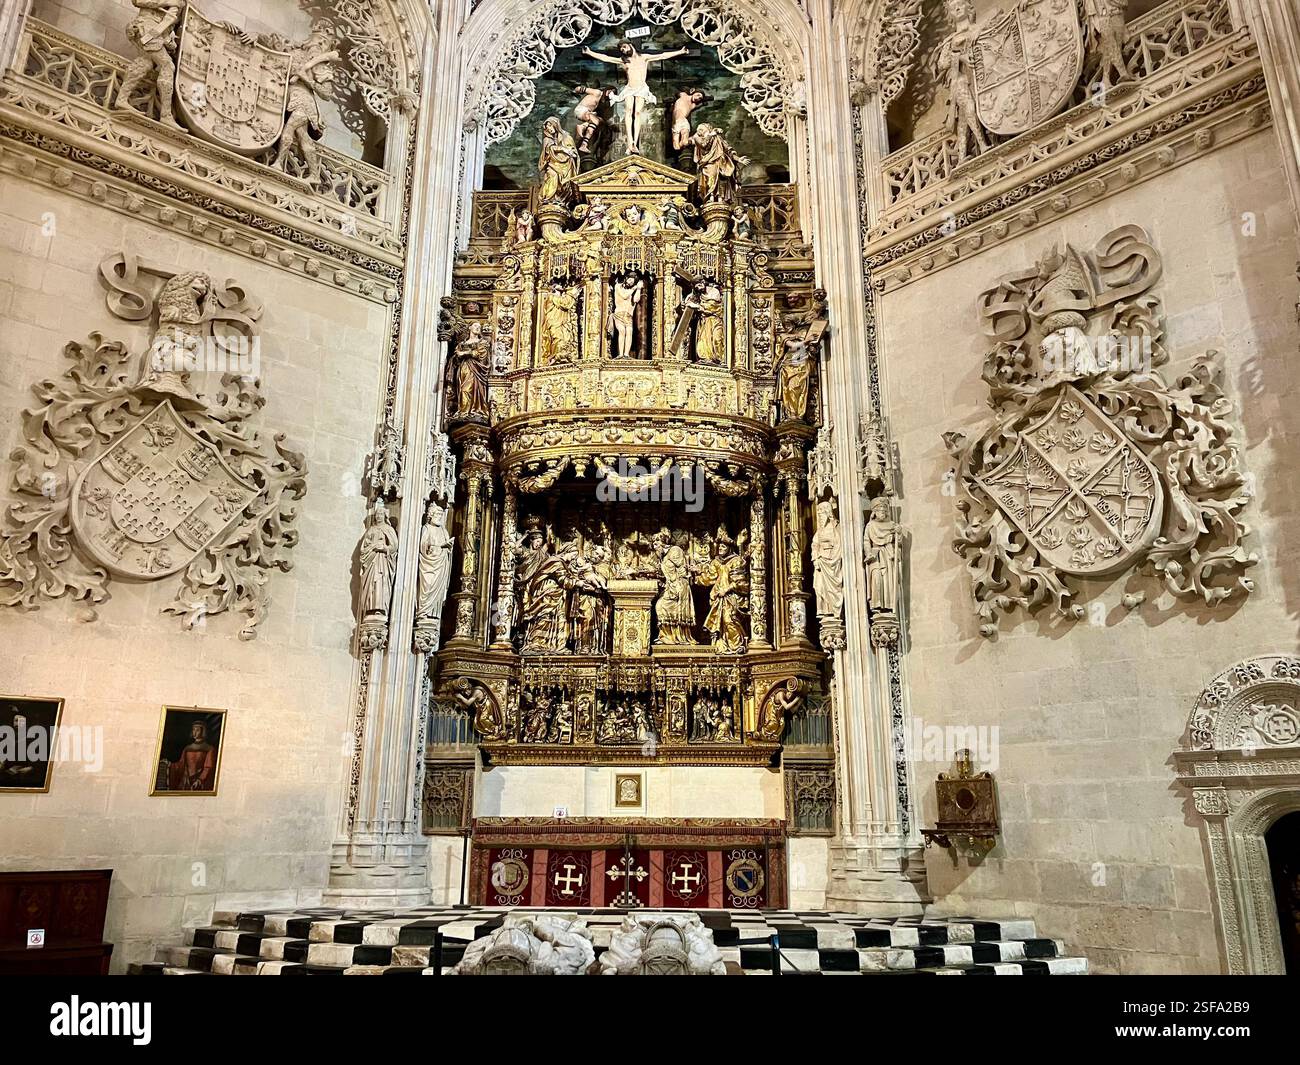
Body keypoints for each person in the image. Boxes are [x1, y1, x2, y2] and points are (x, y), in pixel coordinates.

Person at [583, 41, 689, 154]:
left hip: (642, 89)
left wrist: (680, 51)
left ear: (630, 45)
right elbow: (605, 58)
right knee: (628, 112)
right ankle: (630, 143)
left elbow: (662, 55)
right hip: (630, 89)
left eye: (624, 47)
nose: (623, 50)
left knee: (637, 113)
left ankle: (635, 142)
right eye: (621, 49)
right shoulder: (624, 61)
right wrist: (590, 52)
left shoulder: (644, 58)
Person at [115, 0, 184, 129]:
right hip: (147, 27)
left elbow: (188, 22)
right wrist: (167, 2)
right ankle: (166, 115)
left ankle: (122, 99)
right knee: (167, 65)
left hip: (156, 31)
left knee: (145, 63)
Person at [538, 117, 580, 203]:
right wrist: (563, 149)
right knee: (553, 177)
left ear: (556, 125)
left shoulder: (567, 138)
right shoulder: (547, 140)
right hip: (552, 165)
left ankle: (562, 200)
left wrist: (570, 153)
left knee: (566, 184)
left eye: (550, 125)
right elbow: (548, 150)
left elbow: (574, 153)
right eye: (547, 127)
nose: (549, 129)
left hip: (566, 166)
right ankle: (549, 199)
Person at [167, 719, 217, 791]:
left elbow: (208, 767)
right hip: (186, 781)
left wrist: (200, 780)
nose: (195, 732)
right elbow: (181, 764)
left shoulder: (209, 749)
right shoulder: (187, 748)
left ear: (203, 732)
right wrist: (170, 765)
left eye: (197, 730)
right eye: (193, 730)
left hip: (200, 782)